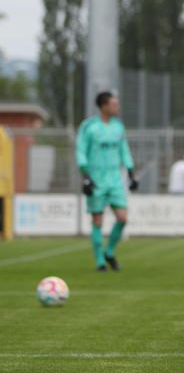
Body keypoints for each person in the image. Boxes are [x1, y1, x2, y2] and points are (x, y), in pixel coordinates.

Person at [76, 92, 139, 272]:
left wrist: (131, 172)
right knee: (97, 220)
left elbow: (124, 150)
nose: (117, 107)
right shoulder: (89, 127)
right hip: (96, 179)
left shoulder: (118, 127)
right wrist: (86, 175)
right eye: (113, 104)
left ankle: (109, 252)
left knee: (122, 217)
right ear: (103, 106)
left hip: (115, 180)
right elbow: (81, 151)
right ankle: (100, 262)